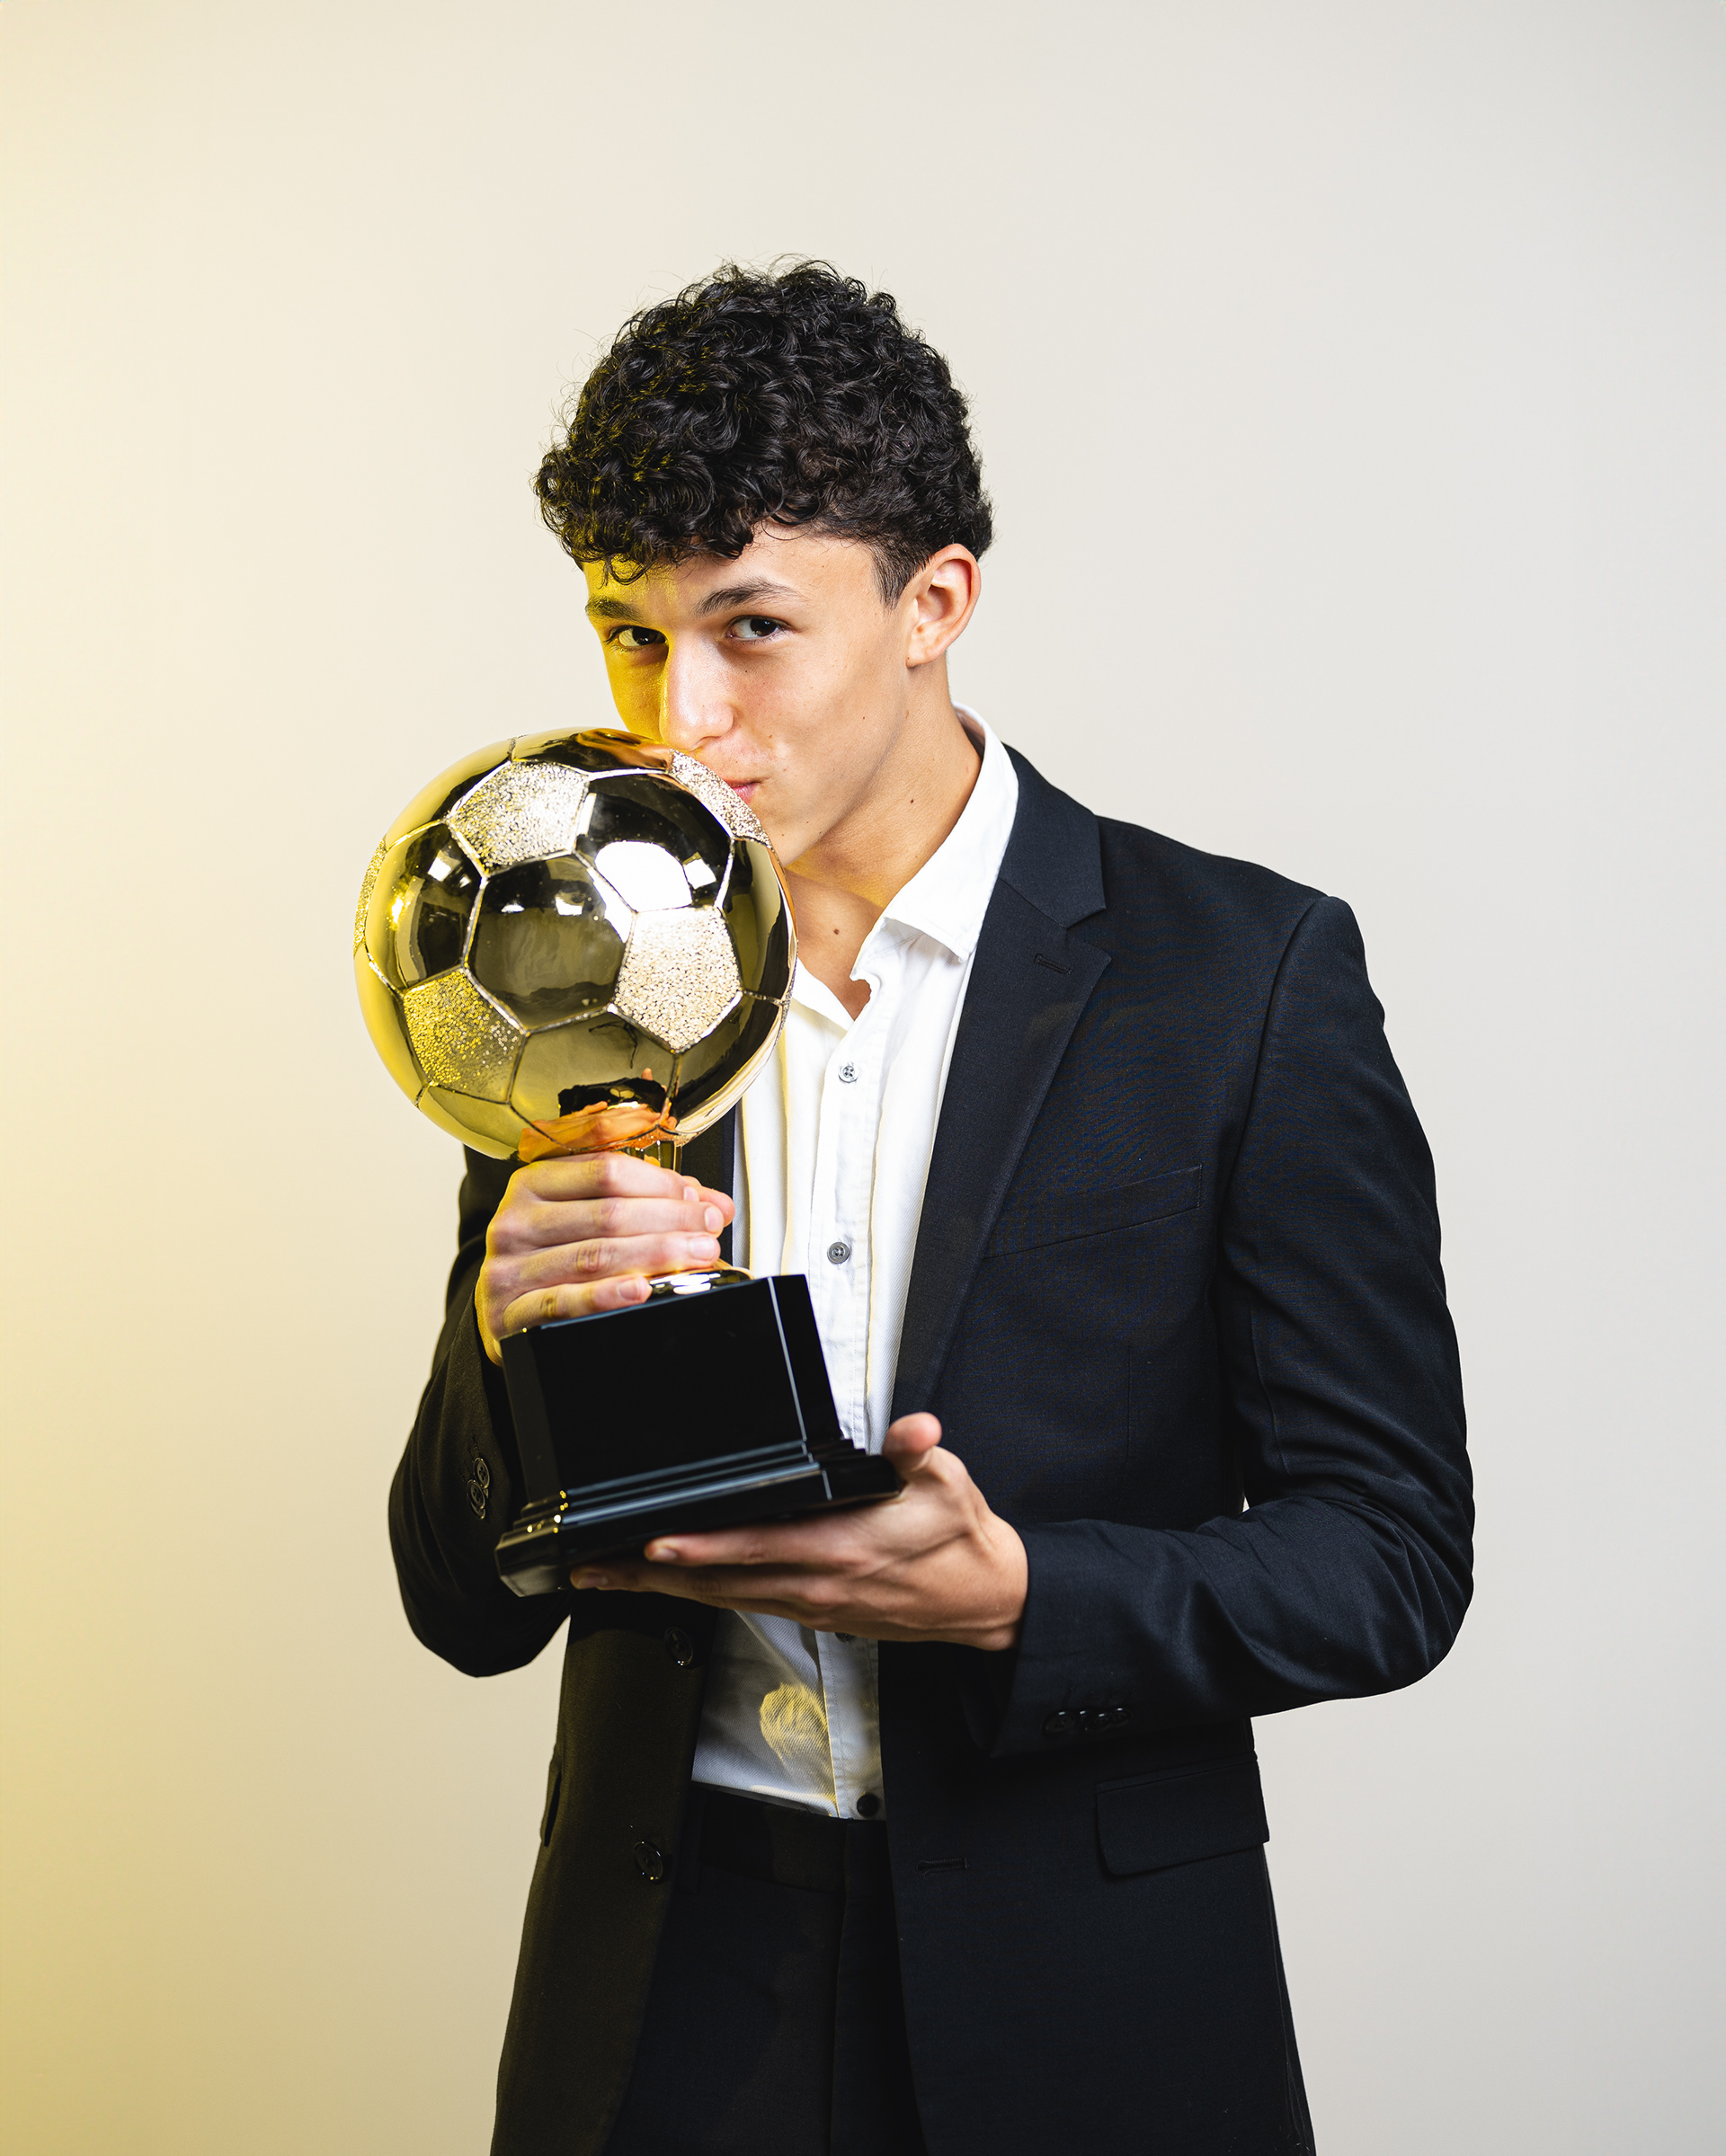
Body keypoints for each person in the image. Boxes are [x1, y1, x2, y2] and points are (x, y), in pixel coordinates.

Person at [388, 262, 1472, 2156]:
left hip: (1092, 2001)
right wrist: (502, 1347)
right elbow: (458, 1606)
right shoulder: (576, 983)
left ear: (933, 605)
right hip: (665, 1998)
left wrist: (1024, 1597)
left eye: (750, 628)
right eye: (630, 637)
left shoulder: (1242, 977)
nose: (680, 722)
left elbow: (1390, 1557)